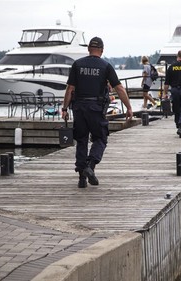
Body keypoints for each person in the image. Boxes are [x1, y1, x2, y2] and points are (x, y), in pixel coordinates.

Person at [61, 36, 133, 188]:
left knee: (81, 140)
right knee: (100, 138)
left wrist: (64, 109)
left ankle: (81, 179)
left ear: (88, 49)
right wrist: (128, 107)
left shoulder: (77, 64)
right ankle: (90, 165)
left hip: (79, 108)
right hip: (96, 108)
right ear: (102, 50)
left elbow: (70, 89)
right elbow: (119, 88)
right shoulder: (105, 66)